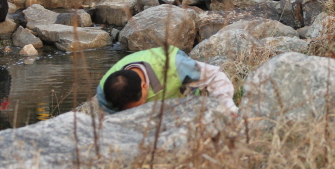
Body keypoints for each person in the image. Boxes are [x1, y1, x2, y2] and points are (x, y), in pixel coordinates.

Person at [96, 46, 238, 115]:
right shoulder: (105, 92)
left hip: (179, 92)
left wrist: (228, 108)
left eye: (137, 107)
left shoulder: (175, 66)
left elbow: (215, 76)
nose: (135, 113)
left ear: (144, 86)